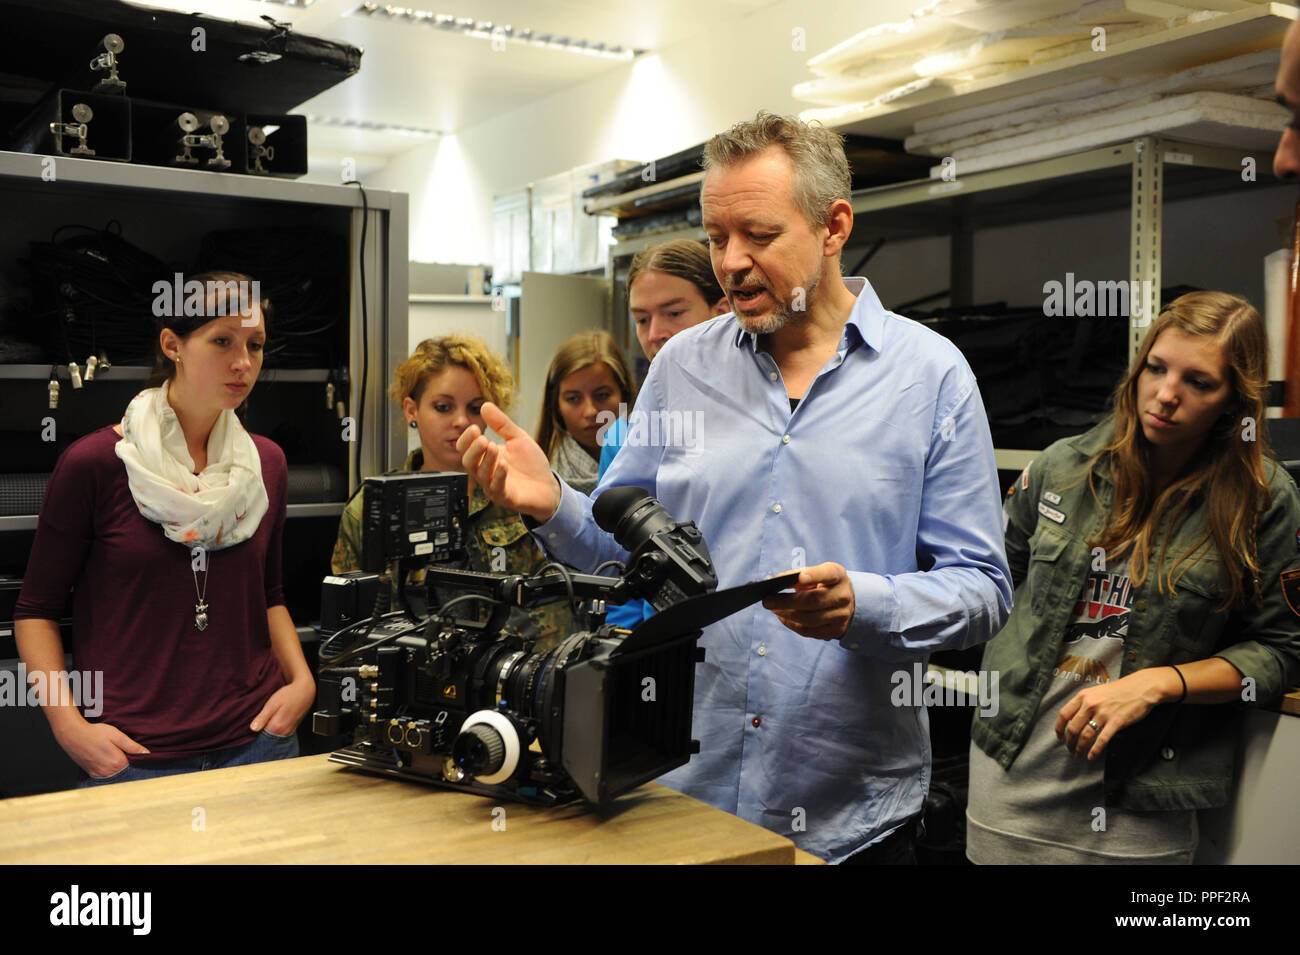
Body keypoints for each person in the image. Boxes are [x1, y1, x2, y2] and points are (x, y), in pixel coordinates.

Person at [458, 112, 1012, 863]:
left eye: (758, 234)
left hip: (852, 818)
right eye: (718, 238)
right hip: (685, 797)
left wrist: (866, 602)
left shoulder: (932, 378)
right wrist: (553, 502)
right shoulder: (684, 368)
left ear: (833, 225)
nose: (733, 262)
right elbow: (628, 546)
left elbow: (981, 590)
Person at [968, 291, 1300, 864]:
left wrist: (1159, 683)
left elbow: (1283, 651)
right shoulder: (1060, 467)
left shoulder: (1263, 502)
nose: (1166, 395)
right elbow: (992, 590)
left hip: (1140, 812)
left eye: (1199, 382)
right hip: (1009, 786)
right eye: (1156, 368)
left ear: (1233, 402)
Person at [15, 271, 315, 787]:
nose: (244, 362)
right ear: (173, 345)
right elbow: (35, 612)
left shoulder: (266, 465)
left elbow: (270, 595)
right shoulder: (95, 464)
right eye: (222, 341)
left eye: (256, 345)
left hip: (260, 744)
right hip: (134, 759)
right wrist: (68, 726)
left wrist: (302, 683)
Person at [331, 335, 572, 653]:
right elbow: (349, 629)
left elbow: (563, 595)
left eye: (475, 409)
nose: (461, 422)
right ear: (411, 410)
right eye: (443, 407)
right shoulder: (372, 509)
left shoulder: (518, 493)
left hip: (518, 678)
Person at [598, 239, 728, 628]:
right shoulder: (623, 434)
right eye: (641, 319)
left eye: (673, 313)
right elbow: (616, 563)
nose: (656, 333)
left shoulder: (761, 421)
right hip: (665, 645)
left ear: (721, 311)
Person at [534, 331, 634, 495]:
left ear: (624, 394)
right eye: (573, 399)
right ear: (556, 404)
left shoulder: (656, 463)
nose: (590, 411)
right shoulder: (539, 477)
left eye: (602, 395)